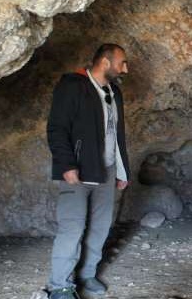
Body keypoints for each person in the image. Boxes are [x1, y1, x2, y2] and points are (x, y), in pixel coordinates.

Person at [46, 44, 131, 298]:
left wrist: (122, 171)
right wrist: (67, 165)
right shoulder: (73, 86)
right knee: (72, 228)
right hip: (78, 171)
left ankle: (87, 274)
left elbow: (117, 135)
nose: (125, 68)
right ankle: (60, 285)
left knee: (101, 226)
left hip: (106, 170)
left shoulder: (114, 92)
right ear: (105, 62)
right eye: (122, 63)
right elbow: (57, 128)